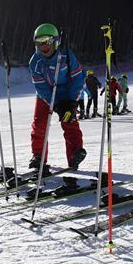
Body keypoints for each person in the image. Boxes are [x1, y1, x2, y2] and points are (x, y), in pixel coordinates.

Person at [28, 23, 87, 170]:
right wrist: (55, 105)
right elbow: (41, 87)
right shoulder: (35, 62)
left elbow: (78, 78)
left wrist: (72, 102)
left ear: (55, 41)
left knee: (69, 121)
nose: (44, 46)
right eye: (40, 42)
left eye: (47, 41)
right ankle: (38, 156)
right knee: (40, 123)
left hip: (67, 93)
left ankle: (75, 154)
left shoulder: (66, 56)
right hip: (46, 94)